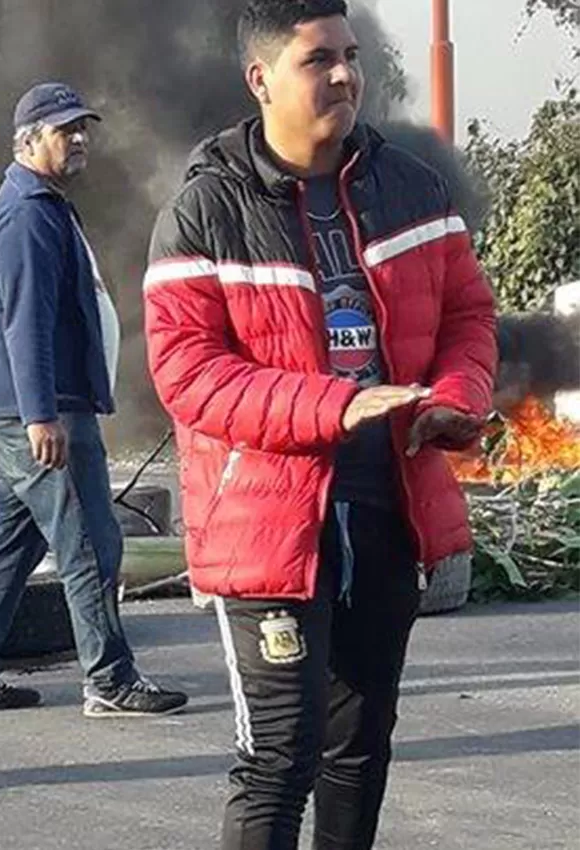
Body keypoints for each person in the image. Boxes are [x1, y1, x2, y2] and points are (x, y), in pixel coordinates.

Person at [142, 2, 496, 847]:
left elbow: (467, 314)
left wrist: (455, 396)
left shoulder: (410, 187)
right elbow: (188, 374)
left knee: (360, 751)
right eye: (318, 60)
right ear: (260, 79)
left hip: (388, 511)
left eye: (351, 54)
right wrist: (335, 405)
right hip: (271, 527)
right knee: (279, 761)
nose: (345, 74)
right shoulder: (204, 213)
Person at [0, 81, 188, 718]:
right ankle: (109, 681)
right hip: (44, 412)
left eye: (83, 128)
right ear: (28, 141)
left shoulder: (42, 204)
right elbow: (27, 324)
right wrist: (40, 416)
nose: (79, 139)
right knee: (90, 542)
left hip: (34, 407)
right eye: (63, 130)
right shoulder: (26, 216)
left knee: (13, 542)